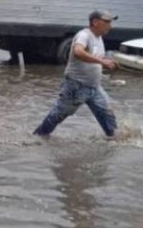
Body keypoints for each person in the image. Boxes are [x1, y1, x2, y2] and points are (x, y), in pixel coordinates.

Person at [33, 10, 119, 138]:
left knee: (108, 114)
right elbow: (78, 52)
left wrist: (107, 62)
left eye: (110, 22)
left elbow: (94, 59)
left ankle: (114, 141)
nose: (110, 26)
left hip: (94, 87)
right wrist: (102, 61)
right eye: (106, 22)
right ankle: (38, 137)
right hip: (76, 86)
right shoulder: (84, 35)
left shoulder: (99, 38)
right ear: (95, 22)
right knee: (58, 115)